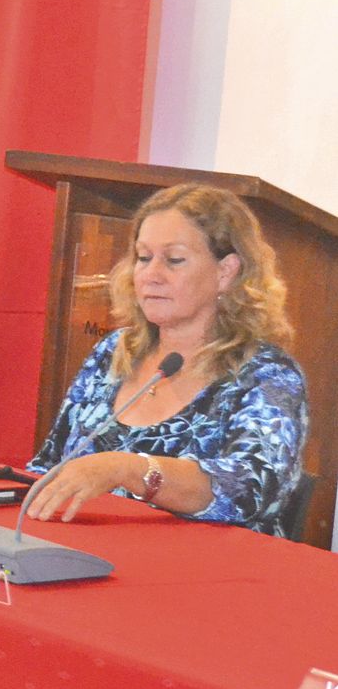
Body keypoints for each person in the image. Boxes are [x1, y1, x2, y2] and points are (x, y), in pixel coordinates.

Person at [24, 184, 308, 536]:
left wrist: (127, 469)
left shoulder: (268, 375)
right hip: (84, 555)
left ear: (226, 271)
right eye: (143, 258)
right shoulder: (115, 352)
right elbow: (49, 465)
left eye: (174, 260)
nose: (151, 274)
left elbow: (246, 490)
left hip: (207, 576)